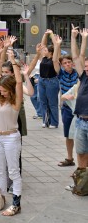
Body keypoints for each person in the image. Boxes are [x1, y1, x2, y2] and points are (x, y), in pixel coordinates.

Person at [0, 49, 23, 216]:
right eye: (0, 89)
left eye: (4, 90)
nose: (1, 92)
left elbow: (18, 83)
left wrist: (13, 60)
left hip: (11, 137)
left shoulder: (16, 101)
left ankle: (16, 204)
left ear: (10, 90)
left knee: (13, 171)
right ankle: (1, 197)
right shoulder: (0, 97)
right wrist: (0, 51)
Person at [56, 29, 79, 167]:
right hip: (66, 107)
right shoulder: (61, 74)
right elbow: (55, 60)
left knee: (81, 133)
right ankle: (70, 158)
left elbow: (78, 56)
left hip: (79, 107)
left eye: (69, 62)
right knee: (68, 134)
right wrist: (57, 44)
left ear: (73, 63)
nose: (67, 65)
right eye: (64, 63)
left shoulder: (79, 74)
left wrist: (73, 37)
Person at [70, 26, 88, 175]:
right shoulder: (84, 78)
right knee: (81, 153)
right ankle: (82, 183)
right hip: (81, 121)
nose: (86, 68)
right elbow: (76, 57)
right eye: (85, 67)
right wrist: (74, 37)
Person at [37, 29, 61, 128]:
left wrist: (51, 35)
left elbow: (56, 47)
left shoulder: (55, 59)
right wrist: (45, 34)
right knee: (42, 101)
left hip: (52, 81)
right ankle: (45, 120)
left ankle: (54, 122)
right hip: (42, 80)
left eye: (46, 50)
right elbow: (42, 45)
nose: (44, 50)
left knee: (52, 103)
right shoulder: (43, 58)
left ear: (51, 52)